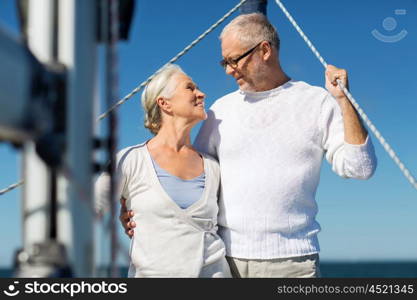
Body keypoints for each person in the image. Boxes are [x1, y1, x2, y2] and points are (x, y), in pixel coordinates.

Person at [120, 13, 377, 278]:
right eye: (224, 62)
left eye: (234, 60)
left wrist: (343, 101)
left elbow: (360, 167)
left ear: (264, 50)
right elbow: (196, 181)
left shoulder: (317, 102)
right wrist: (133, 206)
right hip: (225, 263)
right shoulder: (220, 111)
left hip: (293, 264)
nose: (229, 70)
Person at [95, 64, 231, 278]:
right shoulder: (129, 160)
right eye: (190, 88)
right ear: (164, 103)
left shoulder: (214, 166)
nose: (201, 93)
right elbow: (89, 210)